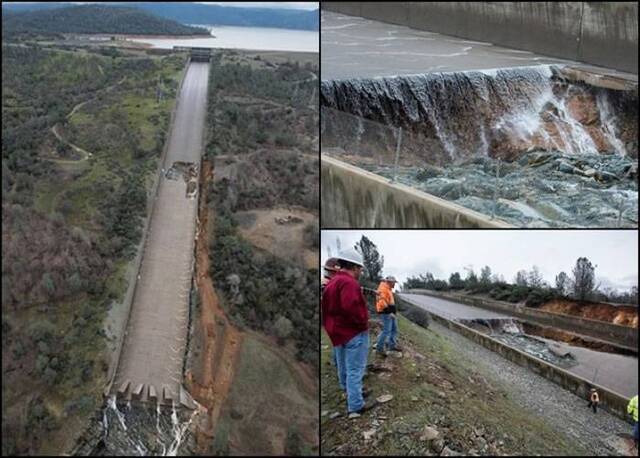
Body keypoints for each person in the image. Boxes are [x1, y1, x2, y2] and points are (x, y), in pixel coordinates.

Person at [322, 248, 376, 418]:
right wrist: (363, 322)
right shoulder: (349, 283)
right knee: (355, 369)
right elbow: (351, 309)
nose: (360, 272)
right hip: (353, 332)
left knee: (344, 367)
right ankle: (356, 405)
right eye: (360, 268)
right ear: (353, 267)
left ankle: (352, 392)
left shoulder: (332, 282)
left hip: (337, 333)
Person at [375, 276, 401, 355]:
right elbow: (382, 302)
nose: (394, 285)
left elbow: (389, 302)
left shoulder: (388, 289)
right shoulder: (383, 289)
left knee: (394, 329)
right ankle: (379, 348)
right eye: (394, 283)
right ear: (389, 282)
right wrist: (389, 312)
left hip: (390, 313)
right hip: (386, 313)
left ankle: (391, 345)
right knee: (386, 330)